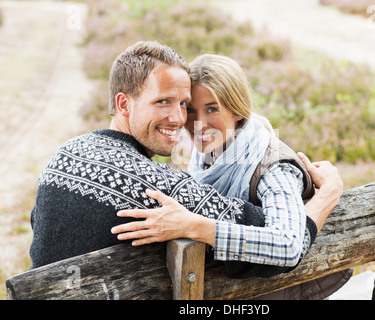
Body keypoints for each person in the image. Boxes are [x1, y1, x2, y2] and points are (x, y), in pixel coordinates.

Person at [29, 41, 335, 273]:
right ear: (124, 104)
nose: (179, 119)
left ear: (238, 109)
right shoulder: (161, 188)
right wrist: (324, 198)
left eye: (183, 104)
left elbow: (282, 242)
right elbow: (268, 246)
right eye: (163, 102)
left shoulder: (64, 154)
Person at [111, 54, 352, 299]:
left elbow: (289, 245)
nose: (198, 123)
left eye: (212, 109)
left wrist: (193, 226)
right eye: (190, 109)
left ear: (237, 111)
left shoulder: (272, 168)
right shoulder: (204, 155)